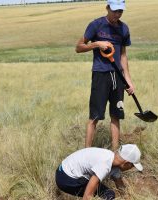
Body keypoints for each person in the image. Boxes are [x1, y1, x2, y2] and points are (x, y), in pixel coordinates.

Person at [75, 0, 134, 150]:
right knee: (94, 116)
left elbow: (123, 56)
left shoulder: (124, 29)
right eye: (114, 10)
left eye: (120, 11)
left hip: (118, 77)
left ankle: (115, 154)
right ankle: (86, 153)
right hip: (100, 75)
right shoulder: (96, 25)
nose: (117, 14)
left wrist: (128, 80)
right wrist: (96, 44)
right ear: (107, 8)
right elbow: (78, 47)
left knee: (116, 116)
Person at [56, 144, 143, 200]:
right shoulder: (105, 165)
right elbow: (87, 196)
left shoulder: (112, 159)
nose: (131, 168)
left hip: (63, 171)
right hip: (66, 178)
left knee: (107, 193)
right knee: (108, 195)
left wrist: (128, 197)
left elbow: (120, 185)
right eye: (132, 166)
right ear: (126, 163)